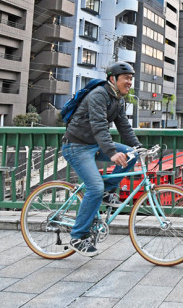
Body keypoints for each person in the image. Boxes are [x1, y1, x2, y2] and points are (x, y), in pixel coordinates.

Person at [61, 61, 143, 256]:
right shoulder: (99, 95)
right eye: (126, 78)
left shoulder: (118, 99)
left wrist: (138, 147)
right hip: (76, 146)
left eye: (131, 79)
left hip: (94, 145)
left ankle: (107, 192)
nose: (129, 82)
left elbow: (124, 127)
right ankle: (78, 237)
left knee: (130, 156)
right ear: (113, 79)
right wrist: (113, 153)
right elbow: (98, 126)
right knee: (94, 187)